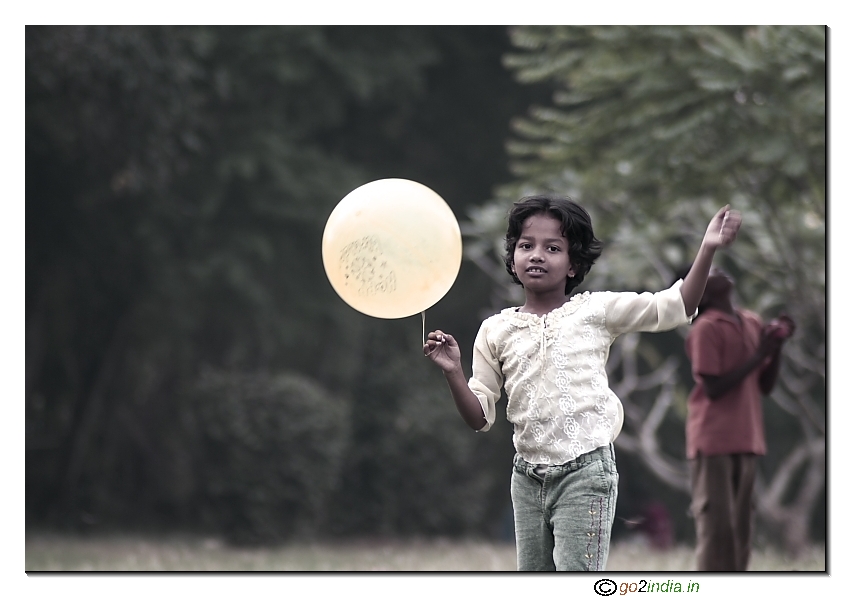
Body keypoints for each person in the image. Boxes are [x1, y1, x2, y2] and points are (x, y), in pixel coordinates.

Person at [423, 195, 741, 571]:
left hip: (585, 472)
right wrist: (453, 371)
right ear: (512, 259)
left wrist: (707, 248)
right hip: (526, 479)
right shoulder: (495, 330)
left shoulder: (595, 310)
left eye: (552, 248)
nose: (537, 255)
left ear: (574, 264)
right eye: (526, 246)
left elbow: (675, 306)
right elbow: (479, 417)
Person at [680, 264, 795, 571]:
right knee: (717, 531)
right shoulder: (706, 327)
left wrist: (776, 348)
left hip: (747, 438)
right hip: (713, 439)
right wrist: (760, 355)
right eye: (709, 271)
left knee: (741, 531)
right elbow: (714, 388)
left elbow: (765, 385)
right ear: (700, 291)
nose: (719, 270)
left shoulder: (750, 321)